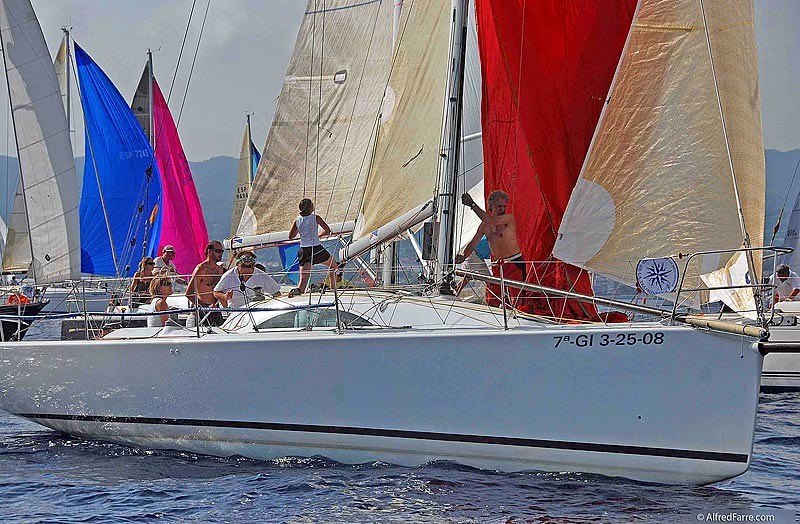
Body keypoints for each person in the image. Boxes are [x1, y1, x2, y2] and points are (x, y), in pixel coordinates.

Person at [458, 191, 527, 308]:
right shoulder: (484, 226)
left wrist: (472, 205)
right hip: (498, 265)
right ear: (491, 207)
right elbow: (473, 243)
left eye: (504, 206)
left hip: (514, 262)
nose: (502, 209)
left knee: (517, 299)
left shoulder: (509, 219)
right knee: (493, 299)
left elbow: (492, 221)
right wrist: (463, 256)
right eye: (499, 206)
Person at [287, 198, 341, 297]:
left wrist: (302, 230)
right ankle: (333, 289)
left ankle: (297, 294)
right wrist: (318, 236)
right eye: (312, 205)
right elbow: (327, 230)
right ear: (310, 207)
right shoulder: (316, 218)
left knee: (303, 279)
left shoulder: (297, 220)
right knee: (334, 266)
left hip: (304, 251)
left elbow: (291, 236)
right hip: (316, 248)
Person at [213, 249, 280, 309]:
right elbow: (216, 292)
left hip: (257, 311)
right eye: (243, 266)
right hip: (236, 311)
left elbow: (276, 293)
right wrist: (224, 296)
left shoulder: (261, 275)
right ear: (237, 265)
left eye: (250, 266)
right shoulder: (228, 275)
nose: (247, 269)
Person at [185, 241, 226, 327]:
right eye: (218, 251)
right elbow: (189, 293)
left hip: (216, 310)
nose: (221, 254)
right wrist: (204, 306)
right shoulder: (201, 269)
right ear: (209, 251)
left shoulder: (220, 270)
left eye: (222, 251)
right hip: (202, 311)